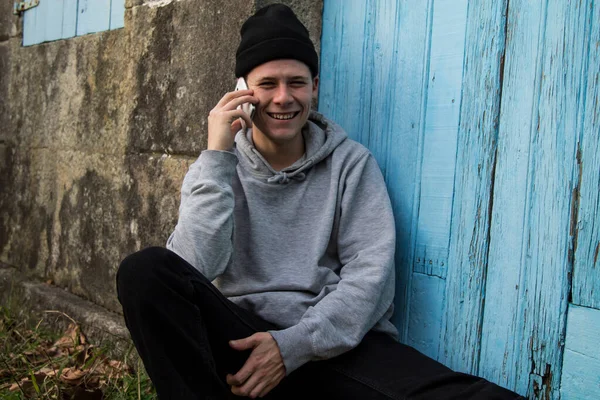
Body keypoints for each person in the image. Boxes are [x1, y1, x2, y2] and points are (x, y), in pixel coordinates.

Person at [117, 4, 524, 399]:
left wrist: (291, 347)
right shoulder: (217, 168)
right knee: (144, 271)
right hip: (243, 345)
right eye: (267, 84)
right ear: (242, 90)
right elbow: (191, 268)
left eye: (296, 82)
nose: (283, 98)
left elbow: (371, 278)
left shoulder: (351, 164)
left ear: (314, 86)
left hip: (326, 342)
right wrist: (217, 156)